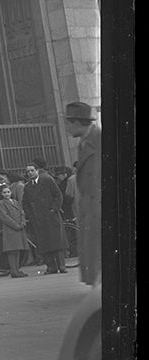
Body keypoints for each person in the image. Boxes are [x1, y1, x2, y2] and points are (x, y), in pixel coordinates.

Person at [64, 101, 101, 285]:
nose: (66, 128)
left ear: (77, 123)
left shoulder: (101, 141)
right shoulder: (84, 143)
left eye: (68, 123)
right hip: (91, 212)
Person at [23, 161, 67, 274]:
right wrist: (30, 216)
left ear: (37, 171)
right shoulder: (27, 187)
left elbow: (58, 195)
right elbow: (25, 203)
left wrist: (54, 209)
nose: (30, 173)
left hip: (51, 216)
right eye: (28, 171)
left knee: (56, 242)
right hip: (38, 219)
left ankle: (61, 266)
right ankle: (51, 267)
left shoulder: (47, 180)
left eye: (32, 170)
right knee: (44, 244)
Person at [0, 184, 29, 278]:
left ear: (11, 192)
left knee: (17, 250)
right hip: (10, 229)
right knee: (12, 251)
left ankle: (17, 269)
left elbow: (22, 213)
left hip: (18, 228)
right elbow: (5, 217)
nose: (7, 194)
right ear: (1, 194)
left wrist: (22, 222)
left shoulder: (15, 202)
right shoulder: (1, 204)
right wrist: (16, 225)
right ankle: (14, 271)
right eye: (4, 192)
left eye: (8, 192)